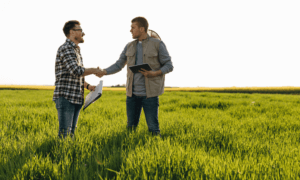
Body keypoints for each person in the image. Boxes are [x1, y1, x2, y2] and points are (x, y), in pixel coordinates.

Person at [96, 17, 173, 136]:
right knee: (130, 128)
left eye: (133, 27)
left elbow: (169, 65)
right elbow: (118, 64)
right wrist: (104, 71)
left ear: (142, 29)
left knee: (153, 129)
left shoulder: (157, 44)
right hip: (132, 95)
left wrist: (154, 73)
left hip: (150, 95)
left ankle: (154, 151)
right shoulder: (129, 46)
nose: (130, 30)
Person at [53, 20, 102, 138]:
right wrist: (95, 70)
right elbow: (76, 70)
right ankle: (60, 155)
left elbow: (76, 76)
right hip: (66, 97)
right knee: (64, 134)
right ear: (72, 32)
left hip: (76, 97)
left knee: (71, 135)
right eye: (80, 30)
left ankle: (70, 155)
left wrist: (88, 86)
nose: (83, 33)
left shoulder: (76, 50)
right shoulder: (66, 48)